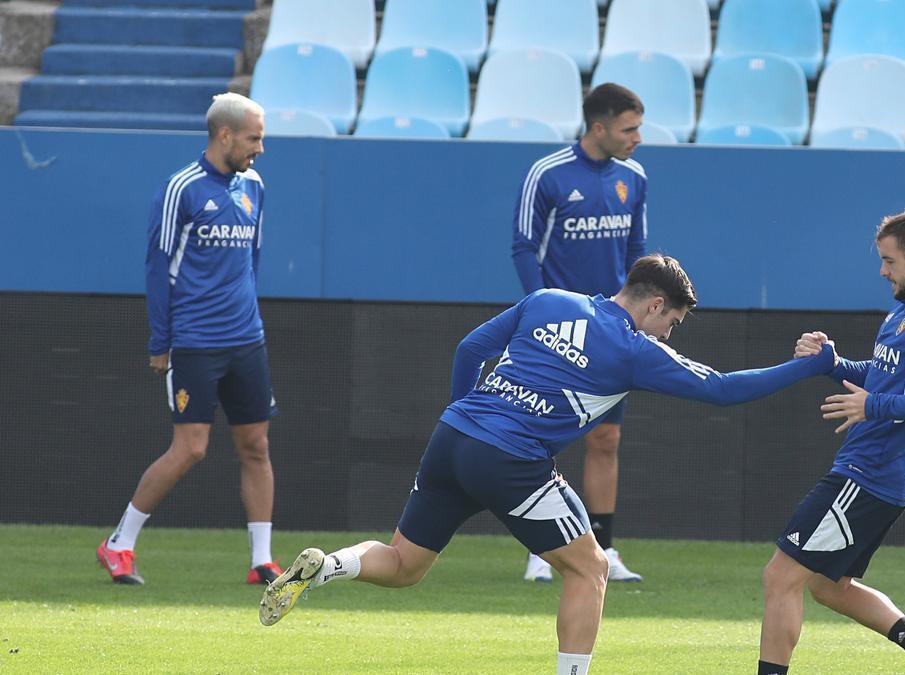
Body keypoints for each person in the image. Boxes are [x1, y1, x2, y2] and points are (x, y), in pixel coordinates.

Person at [260, 254, 836, 675]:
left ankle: (329, 564)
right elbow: (722, 389)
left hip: (454, 435)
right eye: (673, 322)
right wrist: (807, 369)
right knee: (590, 568)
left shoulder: (548, 300)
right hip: (511, 459)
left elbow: (469, 350)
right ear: (656, 304)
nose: (670, 332)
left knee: (405, 563)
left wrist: (465, 410)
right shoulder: (636, 348)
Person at [757, 211, 905, 675]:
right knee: (828, 586)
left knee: (780, 576)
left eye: (889, 260)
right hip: (874, 469)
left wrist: (873, 407)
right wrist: (832, 362)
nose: (882, 270)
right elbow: (884, 380)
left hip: (872, 469)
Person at [95, 92, 282, 586]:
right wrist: (162, 342)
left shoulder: (255, 186)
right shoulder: (182, 188)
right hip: (195, 342)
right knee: (191, 448)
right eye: (254, 137)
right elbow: (158, 269)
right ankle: (119, 543)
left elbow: (252, 262)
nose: (260, 148)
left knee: (256, 446)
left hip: (247, 340)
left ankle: (261, 560)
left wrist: (249, 317)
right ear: (225, 135)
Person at [511, 82, 649, 583]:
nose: (637, 137)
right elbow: (524, 247)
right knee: (541, 438)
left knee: (606, 439)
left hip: (613, 331)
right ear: (599, 127)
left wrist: (637, 318)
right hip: (558, 330)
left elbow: (638, 253)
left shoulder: (633, 177)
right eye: (629, 128)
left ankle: (604, 550)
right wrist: (540, 310)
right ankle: (540, 548)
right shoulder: (547, 174)